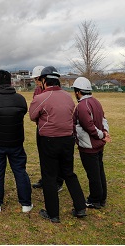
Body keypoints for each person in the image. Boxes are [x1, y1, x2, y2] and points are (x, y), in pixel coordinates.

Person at [29, 66, 87, 223]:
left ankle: (53, 213)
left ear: (44, 80)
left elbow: (32, 115)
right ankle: (81, 207)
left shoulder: (42, 97)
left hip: (49, 139)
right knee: (69, 173)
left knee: (49, 176)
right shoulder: (68, 97)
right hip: (68, 139)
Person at [0, 70, 33, 213]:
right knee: (20, 170)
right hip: (16, 142)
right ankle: (25, 203)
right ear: (11, 81)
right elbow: (23, 111)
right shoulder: (20, 99)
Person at [72, 77, 111, 209]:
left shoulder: (82, 106)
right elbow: (104, 119)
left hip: (89, 147)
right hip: (98, 145)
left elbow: (89, 126)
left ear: (78, 92)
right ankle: (102, 198)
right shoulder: (96, 102)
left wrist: (101, 135)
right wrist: (105, 133)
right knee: (99, 172)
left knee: (93, 175)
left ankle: (95, 200)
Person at [30, 65, 64, 192]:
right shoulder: (37, 91)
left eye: (37, 79)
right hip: (41, 127)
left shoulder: (53, 90)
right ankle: (46, 179)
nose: (36, 82)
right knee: (43, 155)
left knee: (56, 157)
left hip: (54, 128)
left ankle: (58, 181)